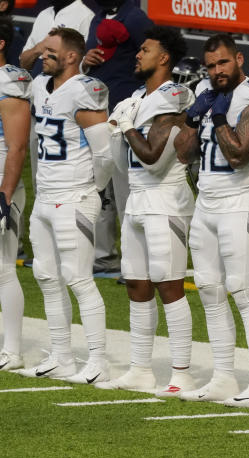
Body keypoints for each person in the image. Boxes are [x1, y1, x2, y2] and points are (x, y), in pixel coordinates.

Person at [173, 35, 249, 407]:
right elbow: (184, 153)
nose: (217, 71)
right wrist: (191, 116)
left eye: (223, 63)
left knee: (244, 292)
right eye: (211, 66)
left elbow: (237, 153)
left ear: (238, 59)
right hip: (207, 204)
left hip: (241, 203)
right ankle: (223, 376)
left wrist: (216, 114)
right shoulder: (207, 94)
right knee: (209, 289)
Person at [95, 26, 196, 397]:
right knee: (137, 284)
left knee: (169, 285)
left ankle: (182, 371)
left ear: (164, 57)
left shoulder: (175, 94)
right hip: (136, 199)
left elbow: (153, 157)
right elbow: (109, 156)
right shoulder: (135, 99)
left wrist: (124, 126)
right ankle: (140, 368)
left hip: (165, 199)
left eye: (146, 49)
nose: (138, 55)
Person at [19, 27, 114, 383]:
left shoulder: (84, 90)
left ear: (72, 56)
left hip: (74, 196)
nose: (44, 54)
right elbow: (25, 66)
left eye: (51, 50)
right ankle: (61, 356)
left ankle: (98, 359)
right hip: (45, 195)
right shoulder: (41, 86)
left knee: (78, 278)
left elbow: (104, 153)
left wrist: (94, 187)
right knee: (46, 275)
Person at [81, 0, 154, 276]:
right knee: (98, 186)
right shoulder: (97, 16)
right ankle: (103, 254)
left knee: (125, 189)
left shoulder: (135, 18)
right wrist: (86, 61)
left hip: (126, 113)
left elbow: (154, 56)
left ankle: (134, 260)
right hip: (97, 112)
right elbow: (94, 55)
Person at [0, 17, 29, 371]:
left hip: (1, 178)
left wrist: (5, 195)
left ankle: (12, 350)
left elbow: (18, 146)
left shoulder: (11, 81)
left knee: (4, 268)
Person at [18, 1, 94, 74]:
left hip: (66, 85)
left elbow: (83, 68)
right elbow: (24, 64)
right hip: (36, 83)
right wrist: (39, 48)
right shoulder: (44, 14)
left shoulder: (86, 17)